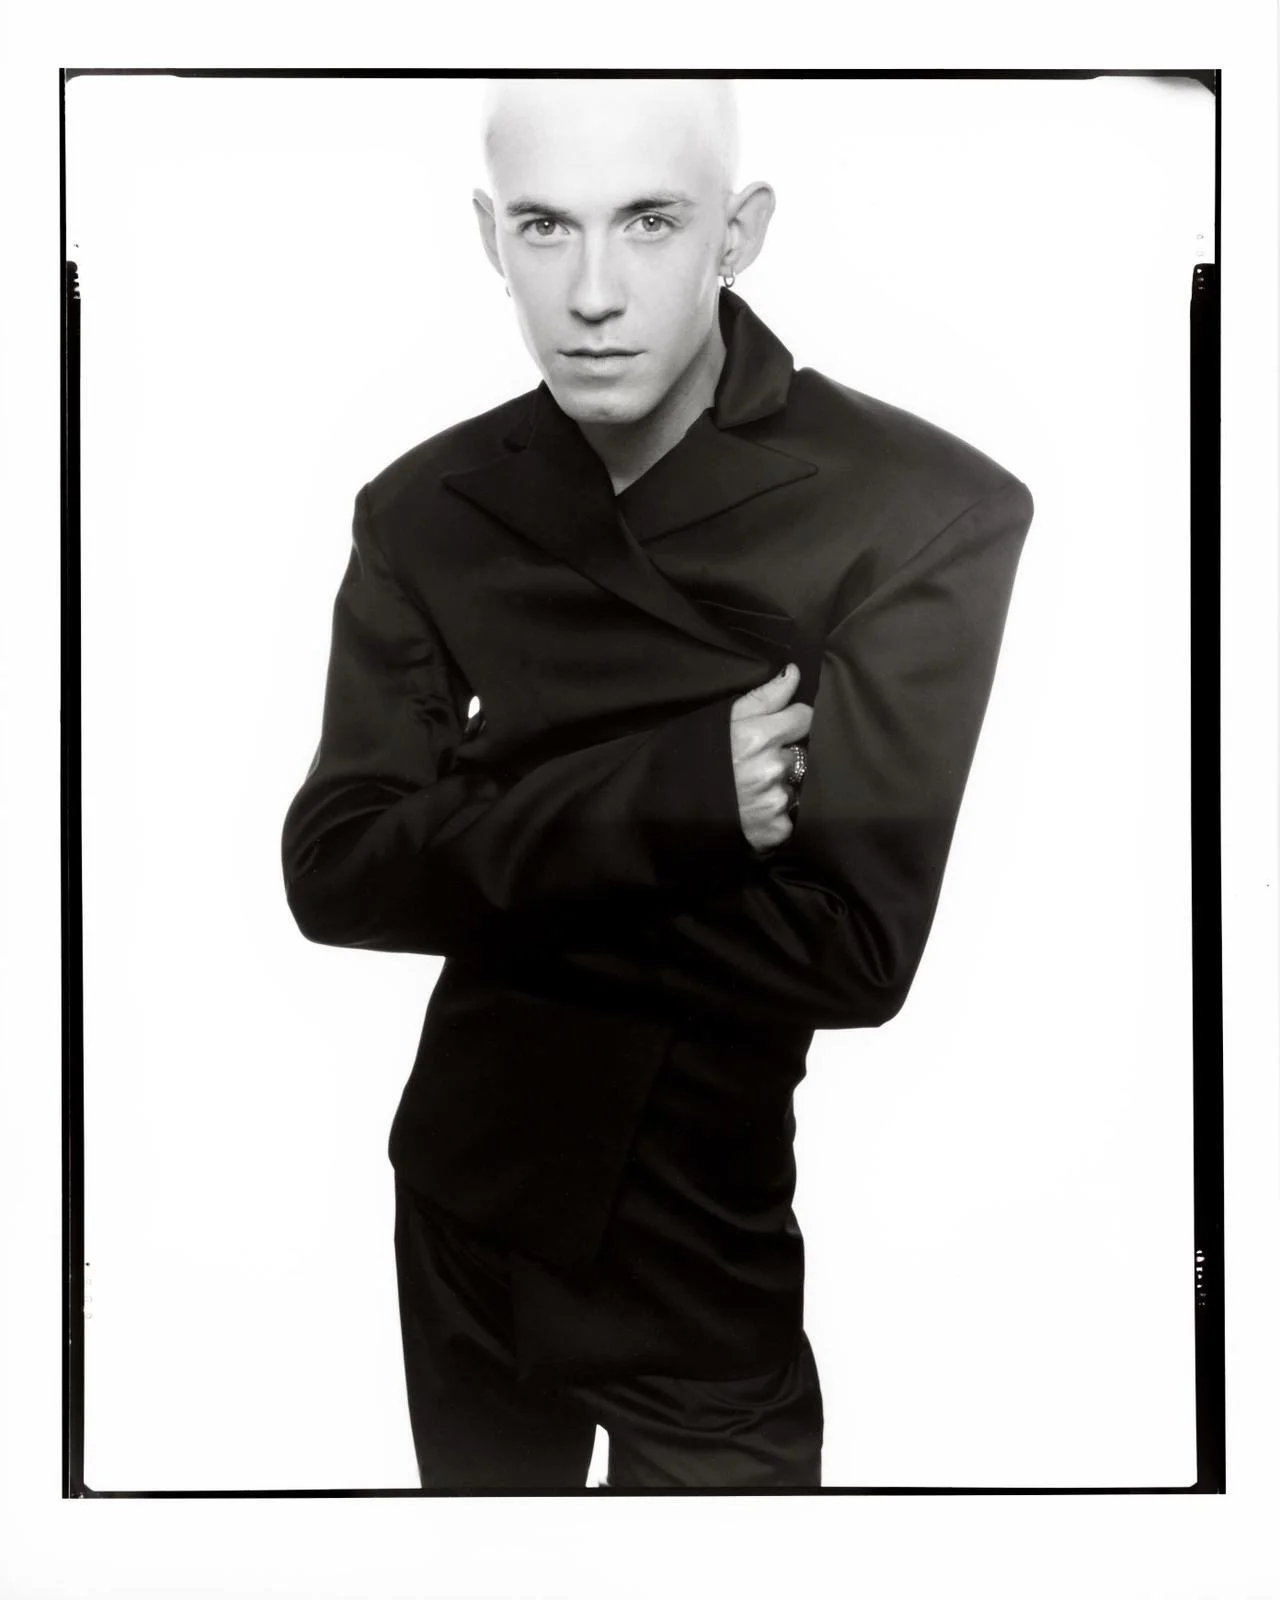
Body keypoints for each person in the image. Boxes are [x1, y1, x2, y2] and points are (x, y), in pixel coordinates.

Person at [281, 77, 1034, 1490]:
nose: (592, 293)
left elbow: (851, 951)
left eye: (649, 221)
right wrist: (676, 796)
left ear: (736, 233)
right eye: (545, 227)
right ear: (490, 238)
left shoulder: (921, 506)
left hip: (701, 1246)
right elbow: (336, 871)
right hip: (463, 1204)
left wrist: (485, 829)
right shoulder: (424, 505)